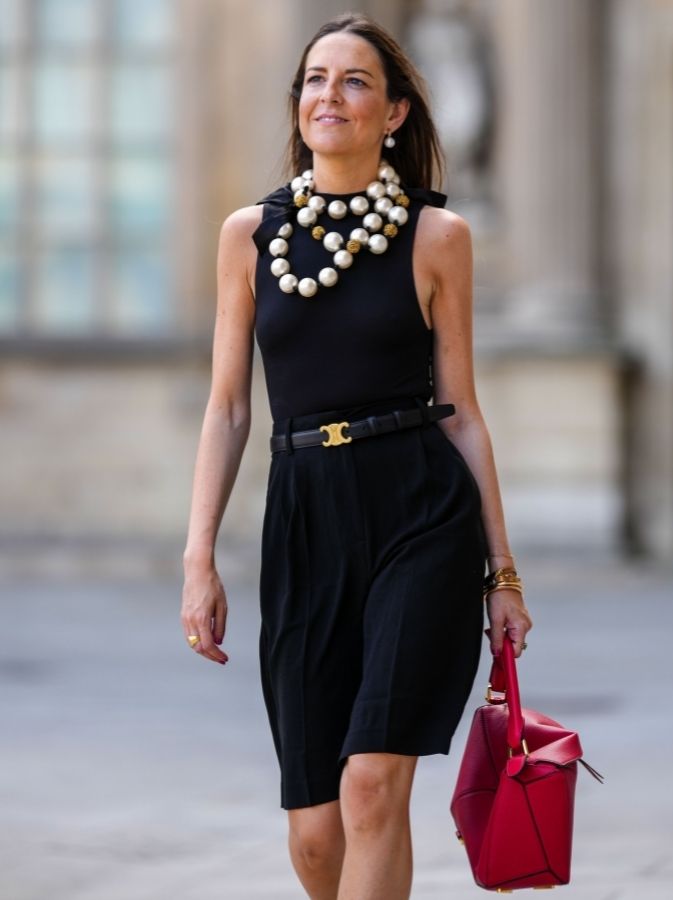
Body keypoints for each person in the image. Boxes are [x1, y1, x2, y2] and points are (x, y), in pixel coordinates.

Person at [179, 13, 532, 898]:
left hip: (419, 512)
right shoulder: (248, 236)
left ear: (396, 114)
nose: (329, 95)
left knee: (374, 785)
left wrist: (503, 574)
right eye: (315, 79)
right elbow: (227, 408)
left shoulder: (437, 237)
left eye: (354, 81)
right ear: (297, 104)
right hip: (303, 517)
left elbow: (463, 414)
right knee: (314, 835)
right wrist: (199, 557)